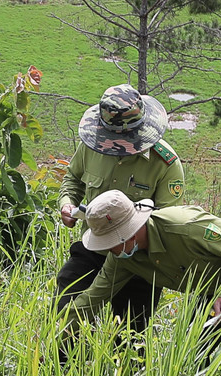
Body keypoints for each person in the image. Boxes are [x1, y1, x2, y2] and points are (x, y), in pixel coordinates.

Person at [65, 190, 221, 376]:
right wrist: (59, 336)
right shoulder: (124, 260)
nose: (109, 250)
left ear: (129, 232)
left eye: (112, 242)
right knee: (193, 351)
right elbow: (92, 299)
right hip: (212, 289)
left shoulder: (185, 227)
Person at [55, 84, 185, 331]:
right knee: (67, 301)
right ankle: (65, 362)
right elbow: (72, 178)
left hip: (136, 258)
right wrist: (67, 204)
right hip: (94, 247)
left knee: (130, 334)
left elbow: (166, 222)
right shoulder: (92, 146)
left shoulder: (166, 163)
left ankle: (124, 368)